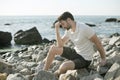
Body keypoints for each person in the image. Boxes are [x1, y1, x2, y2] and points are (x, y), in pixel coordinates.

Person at [43, 11, 106, 77]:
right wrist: (56, 30)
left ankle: (56, 74)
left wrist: (103, 58)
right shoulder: (69, 30)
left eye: (63, 24)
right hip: (76, 52)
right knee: (53, 49)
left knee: (63, 67)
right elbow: (60, 45)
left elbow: (97, 42)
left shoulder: (84, 28)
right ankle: (44, 72)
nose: (63, 26)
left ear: (69, 20)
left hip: (85, 59)